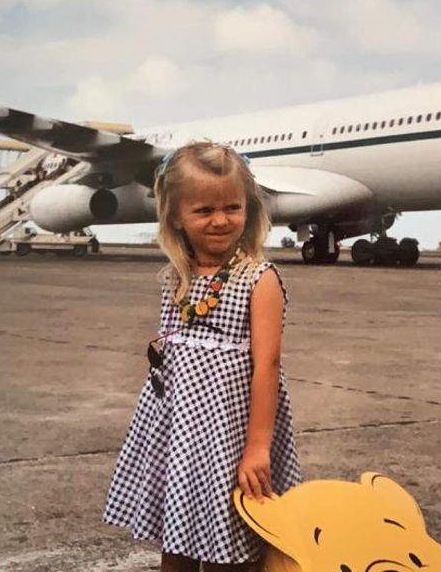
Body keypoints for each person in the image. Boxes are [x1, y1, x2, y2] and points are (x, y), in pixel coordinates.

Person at [103, 141, 301, 572]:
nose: (220, 220)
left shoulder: (258, 279)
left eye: (232, 207)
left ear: (249, 208)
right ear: (175, 215)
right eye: (204, 210)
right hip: (178, 431)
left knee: (225, 539)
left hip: (230, 436)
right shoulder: (177, 275)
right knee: (176, 537)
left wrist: (257, 447)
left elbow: (267, 367)